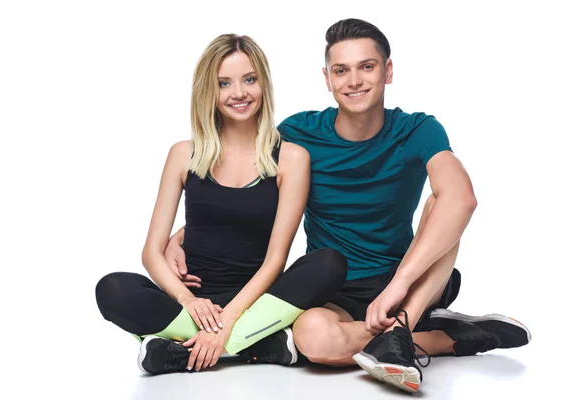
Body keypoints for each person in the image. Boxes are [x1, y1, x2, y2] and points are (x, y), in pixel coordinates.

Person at [164, 20, 531, 392]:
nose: (354, 81)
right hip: (335, 286)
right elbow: (244, 198)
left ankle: (404, 325)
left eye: (366, 67)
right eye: (341, 70)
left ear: (388, 71)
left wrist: (397, 288)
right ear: (327, 79)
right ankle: (447, 338)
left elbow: (462, 198)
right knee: (312, 340)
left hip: (411, 281)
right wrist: (179, 238)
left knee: (444, 201)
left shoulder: (419, 129)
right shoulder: (297, 136)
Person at [95, 34, 348, 375]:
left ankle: (180, 350)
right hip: (192, 305)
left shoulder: (291, 158)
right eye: (224, 83)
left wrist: (229, 320)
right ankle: (257, 344)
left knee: (329, 263)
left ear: (264, 84)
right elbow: (151, 253)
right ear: (208, 92)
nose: (239, 93)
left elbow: (277, 258)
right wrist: (189, 301)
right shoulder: (183, 154)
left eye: (249, 79)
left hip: (258, 301)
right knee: (111, 289)